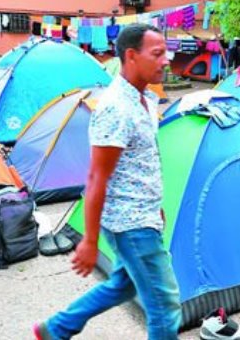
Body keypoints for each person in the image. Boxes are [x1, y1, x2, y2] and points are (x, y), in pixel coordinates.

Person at [34, 24, 180, 340]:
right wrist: (88, 240)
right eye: (157, 54)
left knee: (122, 285)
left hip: (141, 216)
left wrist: (154, 207)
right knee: (165, 308)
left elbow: (138, 164)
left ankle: (56, 329)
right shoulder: (117, 108)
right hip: (130, 225)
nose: (166, 60)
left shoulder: (144, 100)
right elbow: (97, 176)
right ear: (131, 56)